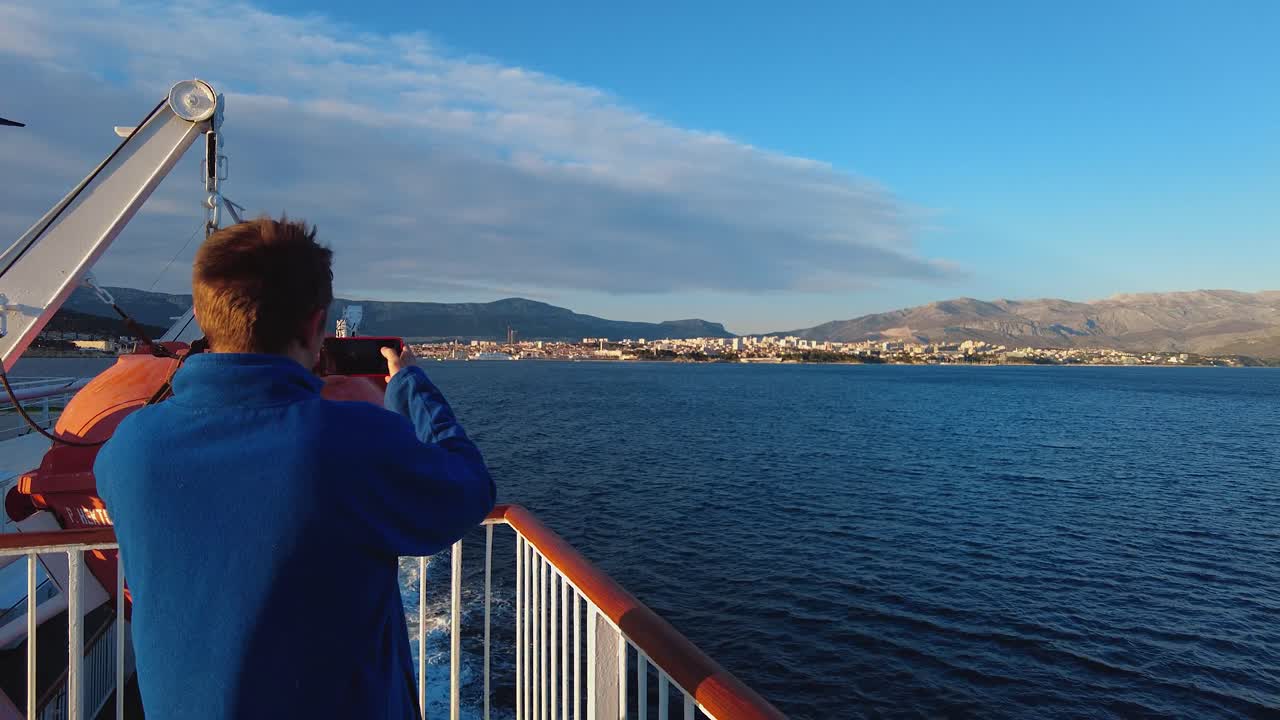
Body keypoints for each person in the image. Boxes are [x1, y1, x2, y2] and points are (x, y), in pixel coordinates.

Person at [94, 217, 495, 719]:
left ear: (200, 315)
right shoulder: (348, 442)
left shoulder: (131, 447)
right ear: (315, 324)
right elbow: (468, 490)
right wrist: (409, 386)